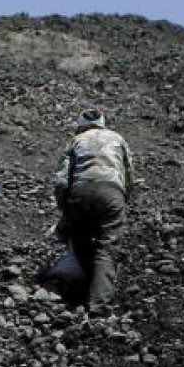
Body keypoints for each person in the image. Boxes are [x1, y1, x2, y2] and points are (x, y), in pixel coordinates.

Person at [50, 108, 134, 310]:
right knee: (107, 248)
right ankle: (98, 304)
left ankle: (76, 288)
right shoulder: (117, 139)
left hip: (81, 191)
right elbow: (129, 174)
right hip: (112, 193)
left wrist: (66, 210)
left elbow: (62, 180)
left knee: (79, 237)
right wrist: (122, 200)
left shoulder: (75, 140)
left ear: (79, 126)